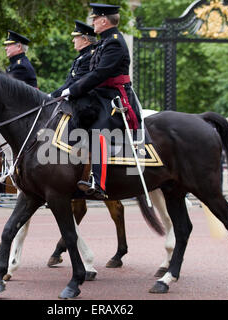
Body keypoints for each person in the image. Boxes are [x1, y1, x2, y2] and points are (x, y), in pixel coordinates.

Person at [62, 3, 142, 200]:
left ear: (104, 20)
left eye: (95, 19)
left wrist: (72, 90)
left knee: (99, 130)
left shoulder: (114, 42)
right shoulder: (103, 42)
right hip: (100, 95)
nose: (93, 22)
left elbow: (99, 74)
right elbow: (91, 74)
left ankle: (99, 182)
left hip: (114, 97)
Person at [51, 20, 97, 98]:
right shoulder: (82, 55)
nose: (73, 40)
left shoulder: (89, 57)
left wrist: (53, 95)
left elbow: (75, 82)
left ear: (85, 40)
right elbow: (69, 82)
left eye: (75, 37)